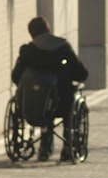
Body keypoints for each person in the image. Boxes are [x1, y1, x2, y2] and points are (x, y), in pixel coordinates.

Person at [11, 16, 89, 161]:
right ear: (48, 29)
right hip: (62, 102)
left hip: (31, 104)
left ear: (31, 33)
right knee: (67, 97)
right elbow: (81, 73)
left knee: (44, 101)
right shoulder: (63, 48)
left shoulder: (27, 51)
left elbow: (16, 77)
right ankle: (68, 145)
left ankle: (45, 147)